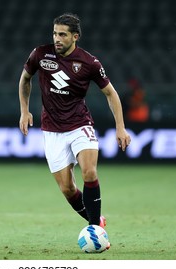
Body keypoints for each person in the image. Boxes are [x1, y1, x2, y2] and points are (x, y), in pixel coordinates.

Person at [18, 13, 131, 242]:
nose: (57, 38)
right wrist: (24, 110)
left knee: (89, 171)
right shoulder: (40, 54)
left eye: (62, 34)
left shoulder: (89, 62)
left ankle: (96, 231)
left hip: (80, 124)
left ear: (75, 37)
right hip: (52, 129)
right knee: (68, 189)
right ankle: (97, 221)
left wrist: (121, 127)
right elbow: (25, 80)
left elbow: (111, 94)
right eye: (54, 33)